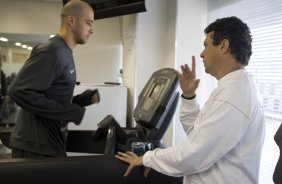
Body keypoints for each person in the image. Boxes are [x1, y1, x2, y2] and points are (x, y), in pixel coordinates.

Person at [115, 16, 265, 184]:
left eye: (206, 46)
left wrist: (147, 158)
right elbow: (198, 133)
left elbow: (194, 154)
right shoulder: (232, 88)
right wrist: (188, 96)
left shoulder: (234, 95)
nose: (202, 53)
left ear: (223, 46)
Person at [8, 0, 100, 158]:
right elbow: (19, 91)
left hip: (51, 142)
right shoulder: (52, 50)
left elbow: (49, 96)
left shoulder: (65, 52)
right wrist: (69, 111)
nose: (92, 30)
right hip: (36, 147)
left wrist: (79, 101)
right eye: (88, 23)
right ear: (71, 21)